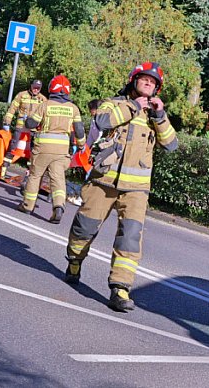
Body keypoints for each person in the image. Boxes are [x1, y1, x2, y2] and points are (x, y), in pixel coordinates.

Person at [64, 62, 178, 313]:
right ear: (133, 80)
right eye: (144, 79)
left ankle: (120, 289)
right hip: (103, 181)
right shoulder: (114, 103)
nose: (149, 83)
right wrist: (135, 106)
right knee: (84, 228)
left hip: (136, 190)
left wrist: (159, 116)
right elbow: (103, 121)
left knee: (129, 238)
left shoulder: (156, 115)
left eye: (153, 82)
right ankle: (74, 262)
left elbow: (171, 144)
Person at [18, 75, 86, 224]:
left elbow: (31, 123)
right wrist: (81, 145)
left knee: (35, 176)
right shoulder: (73, 108)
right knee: (58, 178)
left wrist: (26, 120)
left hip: (43, 148)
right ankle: (58, 207)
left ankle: (27, 206)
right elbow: (79, 130)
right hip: (61, 151)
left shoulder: (45, 105)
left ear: (51, 88)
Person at [0, 79, 47, 180]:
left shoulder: (42, 99)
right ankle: (3, 170)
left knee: (33, 153)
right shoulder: (22, 95)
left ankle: (29, 176)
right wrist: (7, 122)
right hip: (20, 128)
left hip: (34, 129)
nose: (36, 90)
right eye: (34, 87)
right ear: (31, 86)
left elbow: (46, 115)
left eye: (38, 88)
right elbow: (12, 109)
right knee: (12, 148)